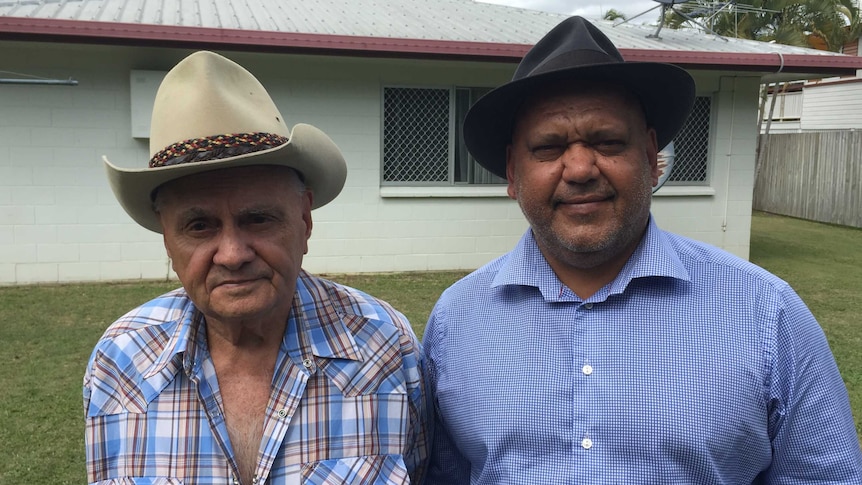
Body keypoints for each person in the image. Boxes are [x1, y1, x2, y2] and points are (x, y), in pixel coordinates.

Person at [423, 16, 862, 484]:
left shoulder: (766, 312)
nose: (579, 168)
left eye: (607, 141)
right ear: (513, 173)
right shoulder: (456, 320)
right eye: (548, 148)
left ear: (652, 157)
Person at [84, 51, 429, 484]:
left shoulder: (384, 347)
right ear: (167, 238)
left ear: (304, 218)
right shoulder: (119, 363)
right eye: (199, 225)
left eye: (258, 218)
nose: (231, 254)